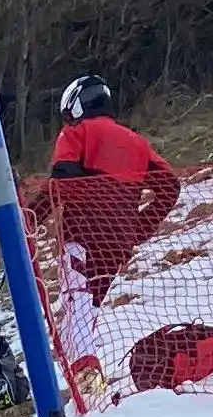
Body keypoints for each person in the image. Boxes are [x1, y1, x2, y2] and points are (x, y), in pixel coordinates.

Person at [46, 75, 182, 303]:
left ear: (77, 106)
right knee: (93, 306)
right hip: (117, 242)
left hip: (81, 236)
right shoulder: (137, 142)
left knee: (78, 310)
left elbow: (63, 182)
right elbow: (170, 187)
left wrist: (27, 220)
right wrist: (139, 227)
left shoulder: (75, 133)